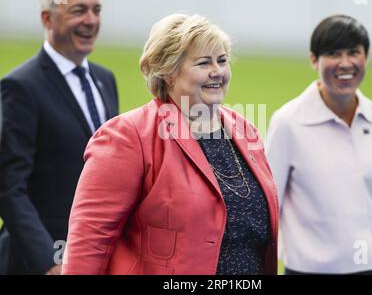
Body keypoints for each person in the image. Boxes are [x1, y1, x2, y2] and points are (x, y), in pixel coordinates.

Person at [62, 14, 278, 275]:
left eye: (222, 61)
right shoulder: (128, 136)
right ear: (168, 73)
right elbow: (89, 241)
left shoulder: (246, 131)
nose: (217, 72)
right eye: (203, 62)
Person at [0, 0, 119, 275]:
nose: (91, 20)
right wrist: (47, 262)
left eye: (97, 10)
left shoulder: (105, 81)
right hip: (37, 261)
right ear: (47, 18)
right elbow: (10, 187)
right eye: (78, 10)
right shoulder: (21, 87)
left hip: (95, 253)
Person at [266, 15, 372, 275]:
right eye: (334, 54)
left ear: (366, 57)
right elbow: (270, 207)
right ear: (314, 60)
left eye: (354, 52)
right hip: (310, 271)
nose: (345, 63)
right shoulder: (288, 122)